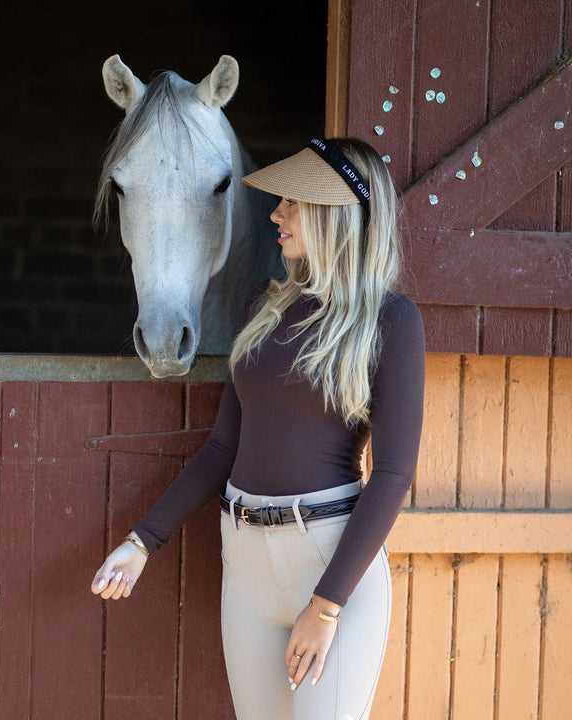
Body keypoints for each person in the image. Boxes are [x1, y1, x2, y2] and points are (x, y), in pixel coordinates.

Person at [92, 137, 425, 720]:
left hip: (329, 565)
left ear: (333, 211)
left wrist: (326, 606)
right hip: (244, 563)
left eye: (292, 203)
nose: (276, 214)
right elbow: (224, 446)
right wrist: (141, 541)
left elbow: (393, 476)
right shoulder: (263, 306)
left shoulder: (390, 319)